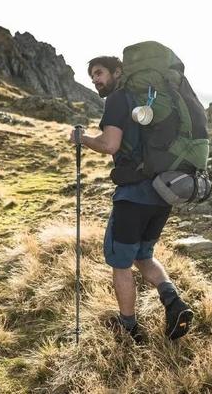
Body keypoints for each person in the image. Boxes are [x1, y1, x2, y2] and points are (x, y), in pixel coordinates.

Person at [69, 56, 193, 342]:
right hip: (163, 193)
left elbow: (109, 144)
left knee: (121, 263)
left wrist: (82, 138)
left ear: (118, 72)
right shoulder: (153, 101)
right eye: (92, 78)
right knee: (143, 255)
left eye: (99, 73)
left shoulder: (118, 99)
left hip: (133, 197)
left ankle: (129, 328)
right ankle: (174, 303)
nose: (96, 80)